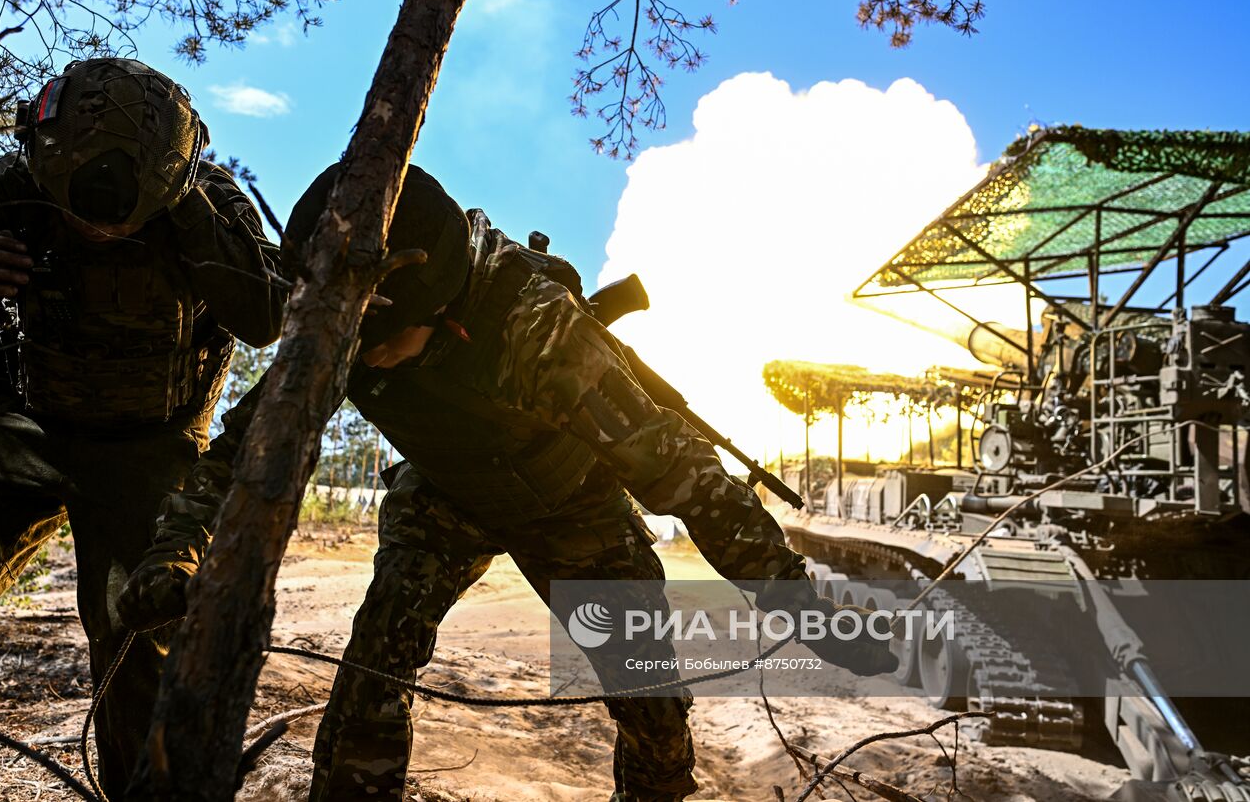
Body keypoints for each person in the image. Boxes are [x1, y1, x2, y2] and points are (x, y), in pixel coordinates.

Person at [118, 164, 896, 801]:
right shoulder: (340, 325)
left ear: (441, 306)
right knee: (374, 668)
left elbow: (687, 476)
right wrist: (176, 551)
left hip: (570, 501)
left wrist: (799, 604)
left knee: (652, 706)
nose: (367, 358)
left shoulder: (538, 331)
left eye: (384, 342)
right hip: (446, 494)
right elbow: (241, 455)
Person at [0, 58, 286, 801]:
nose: (97, 229)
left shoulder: (204, 200)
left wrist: (198, 223)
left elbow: (268, 313)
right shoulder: (14, 187)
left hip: (153, 447)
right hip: (34, 426)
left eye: (121, 222)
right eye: (82, 218)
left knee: (135, 628)